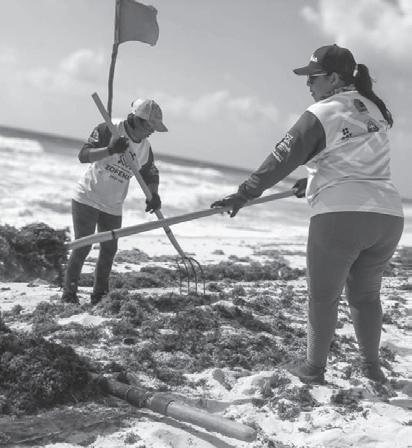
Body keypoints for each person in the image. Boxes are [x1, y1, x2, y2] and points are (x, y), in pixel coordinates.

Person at [211, 44, 404, 384]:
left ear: (334, 78)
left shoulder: (322, 111)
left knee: (323, 296)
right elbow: (352, 158)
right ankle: (372, 368)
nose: (308, 84)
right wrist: (312, 179)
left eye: (313, 77)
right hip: (388, 215)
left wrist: (244, 194)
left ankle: (313, 369)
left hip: (342, 216)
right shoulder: (374, 108)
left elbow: (281, 159)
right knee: (365, 296)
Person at [62, 98, 167, 305]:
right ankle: (69, 293)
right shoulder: (110, 129)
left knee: (109, 250)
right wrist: (110, 149)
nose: (152, 131)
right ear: (136, 120)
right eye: (150, 126)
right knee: (83, 245)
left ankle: (100, 295)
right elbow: (83, 155)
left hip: (113, 204)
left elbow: (150, 173)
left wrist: (154, 195)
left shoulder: (145, 148)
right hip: (88, 196)